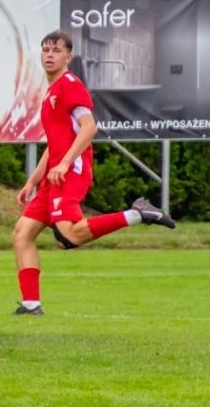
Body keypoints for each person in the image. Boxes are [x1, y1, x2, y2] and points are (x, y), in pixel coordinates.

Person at [11, 29, 176, 314]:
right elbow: (55, 143)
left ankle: (138, 213)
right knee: (22, 234)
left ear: (68, 57)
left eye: (57, 50)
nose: (50, 54)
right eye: (46, 49)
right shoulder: (51, 91)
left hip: (70, 173)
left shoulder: (70, 85)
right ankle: (30, 304)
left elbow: (90, 127)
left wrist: (64, 163)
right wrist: (33, 180)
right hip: (52, 177)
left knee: (70, 236)